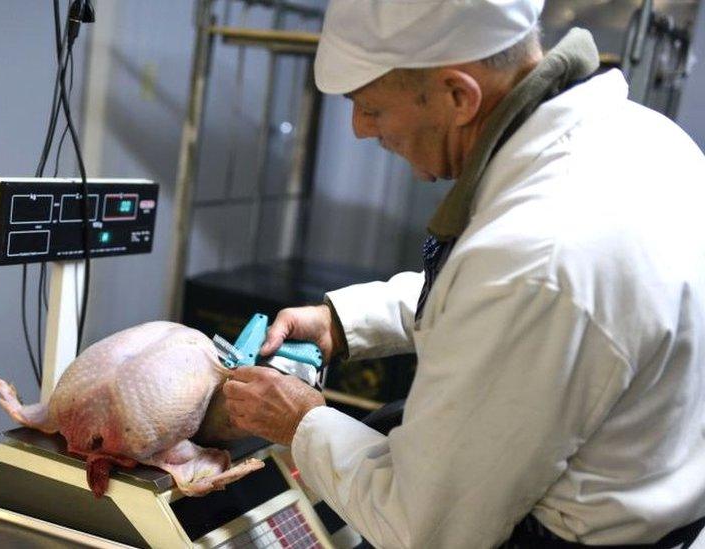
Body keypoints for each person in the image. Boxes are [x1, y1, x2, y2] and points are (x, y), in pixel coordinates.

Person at [221, 0, 705, 547]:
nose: (359, 130)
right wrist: (344, 321)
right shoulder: (645, 137)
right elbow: (502, 302)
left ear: (458, 96)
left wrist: (300, 422)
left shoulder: (537, 255)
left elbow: (424, 527)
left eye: (372, 109)